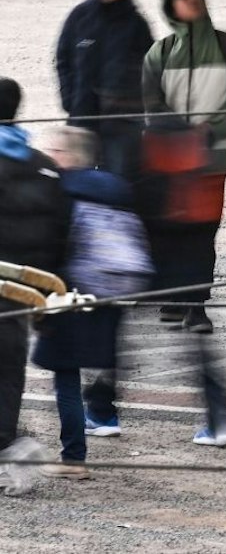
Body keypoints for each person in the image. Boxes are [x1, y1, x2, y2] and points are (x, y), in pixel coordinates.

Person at [138, 0, 226, 336]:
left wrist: (213, 129)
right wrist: (179, 130)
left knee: (202, 233)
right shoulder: (160, 53)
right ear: (170, 6)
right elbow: (152, 104)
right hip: (170, 160)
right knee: (171, 231)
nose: (188, 0)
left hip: (210, 159)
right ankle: (175, 299)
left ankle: (196, 304)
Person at [32, 125, 149, 478]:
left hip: (72, 290)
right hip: (115, 288)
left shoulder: (61, 192)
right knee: (102, 358)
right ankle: (104, 414)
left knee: (65, 375)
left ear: (69, 156)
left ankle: (74, 459)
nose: (49, 155)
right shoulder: (117, 189)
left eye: (54, 150)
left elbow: (53, 247)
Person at [0, 78, 70, 494]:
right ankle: (11, 445)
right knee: (7, 373)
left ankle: (13, 446)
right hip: (21, 292)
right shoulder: (44, 166)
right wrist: (49, 294)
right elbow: (62, 235)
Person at [55, 0, 155, 179]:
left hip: (122, 123)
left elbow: (151, 66)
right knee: (77, 180)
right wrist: (68, 98)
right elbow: (63, 59)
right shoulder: (79, 17)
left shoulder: (136, 23)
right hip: (82, 116)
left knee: (118, 182)